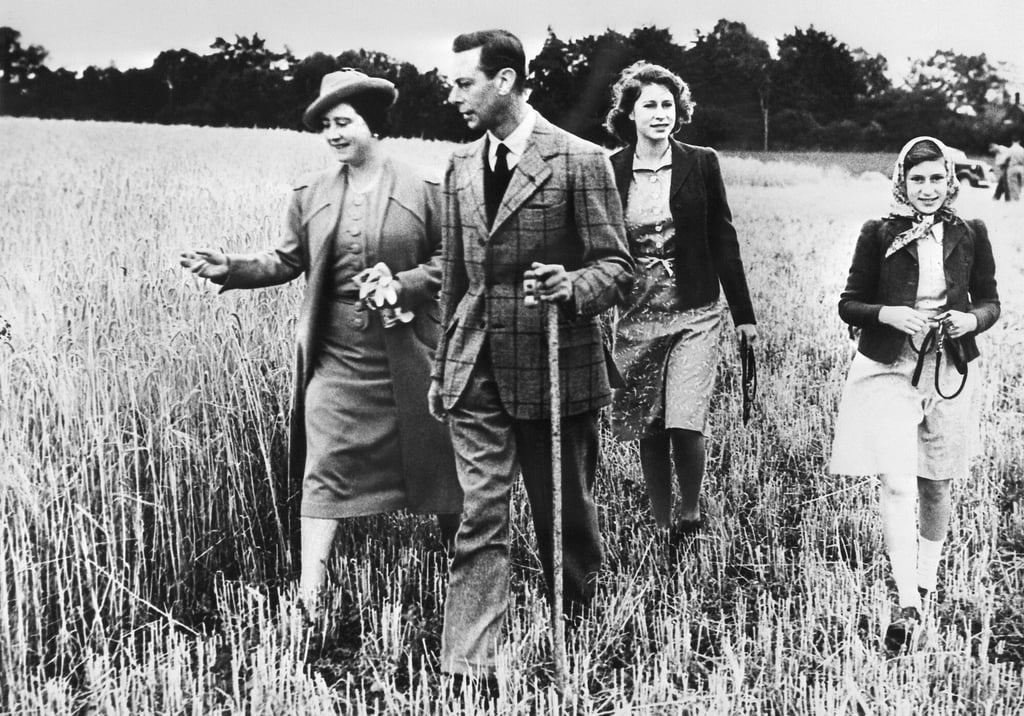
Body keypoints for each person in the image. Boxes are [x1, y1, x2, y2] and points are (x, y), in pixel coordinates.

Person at [179, 69, 462, 611]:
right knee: (326, 464)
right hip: (336, 355)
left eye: (344, 121)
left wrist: (404, 284)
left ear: (372, 123)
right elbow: (286, 260)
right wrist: (230, 267)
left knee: (436, 463)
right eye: (326, 124)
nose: (333, 133)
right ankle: (311, 596)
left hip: (409, 351)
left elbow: (452, 262)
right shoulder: (309, 193)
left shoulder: (426, 189)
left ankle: (461, 570)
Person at [428, 30, 634, 686]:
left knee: (562, 509)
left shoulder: (579, 160)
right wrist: (441, 369)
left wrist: (571, 285)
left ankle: (581, 628)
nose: (451, 93)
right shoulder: (459, 165)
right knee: (481, 511)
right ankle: (470, 663)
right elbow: (455, 279)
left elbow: (618, 268)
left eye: (464, 82)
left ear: (507, 80)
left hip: (554, 360)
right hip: (475, 361)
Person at [830, 136, 999, 645]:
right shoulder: (877, 232)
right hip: (887, 365)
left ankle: (925, 584)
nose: (927, 189)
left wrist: (970, 319)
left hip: (947, 369)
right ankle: (906, 600)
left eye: (936, 179)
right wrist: (888, 313)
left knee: (935, 481)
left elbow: (990, 301)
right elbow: (849, 303)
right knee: (898, 482)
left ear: (951, 182)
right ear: (902, 181)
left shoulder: (971, 232)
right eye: (917, 179)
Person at [604, 62, 758, 538]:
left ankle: (690, 512)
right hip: (637, 312)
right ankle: (661, 517)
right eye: (649, 104)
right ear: (629, 113)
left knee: (684, 419)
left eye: (667, 104)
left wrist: (744, 317)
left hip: (696, 309)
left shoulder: (701, 161)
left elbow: (723, 238)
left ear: (679, 110)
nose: (659, 113)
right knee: (648, 423)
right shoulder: (610, 169)